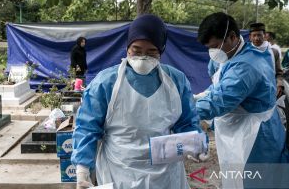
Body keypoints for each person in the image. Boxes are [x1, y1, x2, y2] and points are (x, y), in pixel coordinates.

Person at [71, 14, 204, 189]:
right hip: (119, 168)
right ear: (127, 48)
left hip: (165, 171)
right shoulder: (106, 82)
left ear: (161, 51)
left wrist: (196, 145)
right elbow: (88, 127)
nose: (142, 57)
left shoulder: (176, 81)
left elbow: (187, 121)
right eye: (136, 50)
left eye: (151, 52)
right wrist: (82, 169)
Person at [196, 12, 287, 188]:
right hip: (238, 129)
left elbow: (220, 100)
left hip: (254, 135)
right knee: (236, 177)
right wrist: (199, 96)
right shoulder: (231, 54)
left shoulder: (247, 64)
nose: (213, 52)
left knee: (255, 180)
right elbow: (218, 84)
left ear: (232, 36)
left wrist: (184, 109)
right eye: (209, 48)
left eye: (215, 46)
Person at [249, 22, 284, 98]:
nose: (257, 38)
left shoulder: (273, 52)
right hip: (251, 95)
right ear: (250, 37)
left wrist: (279, 85)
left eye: (259, 35)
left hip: (270, 93)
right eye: (254, 35)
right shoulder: (246, 53)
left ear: (264, 36)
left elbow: (279, 73)